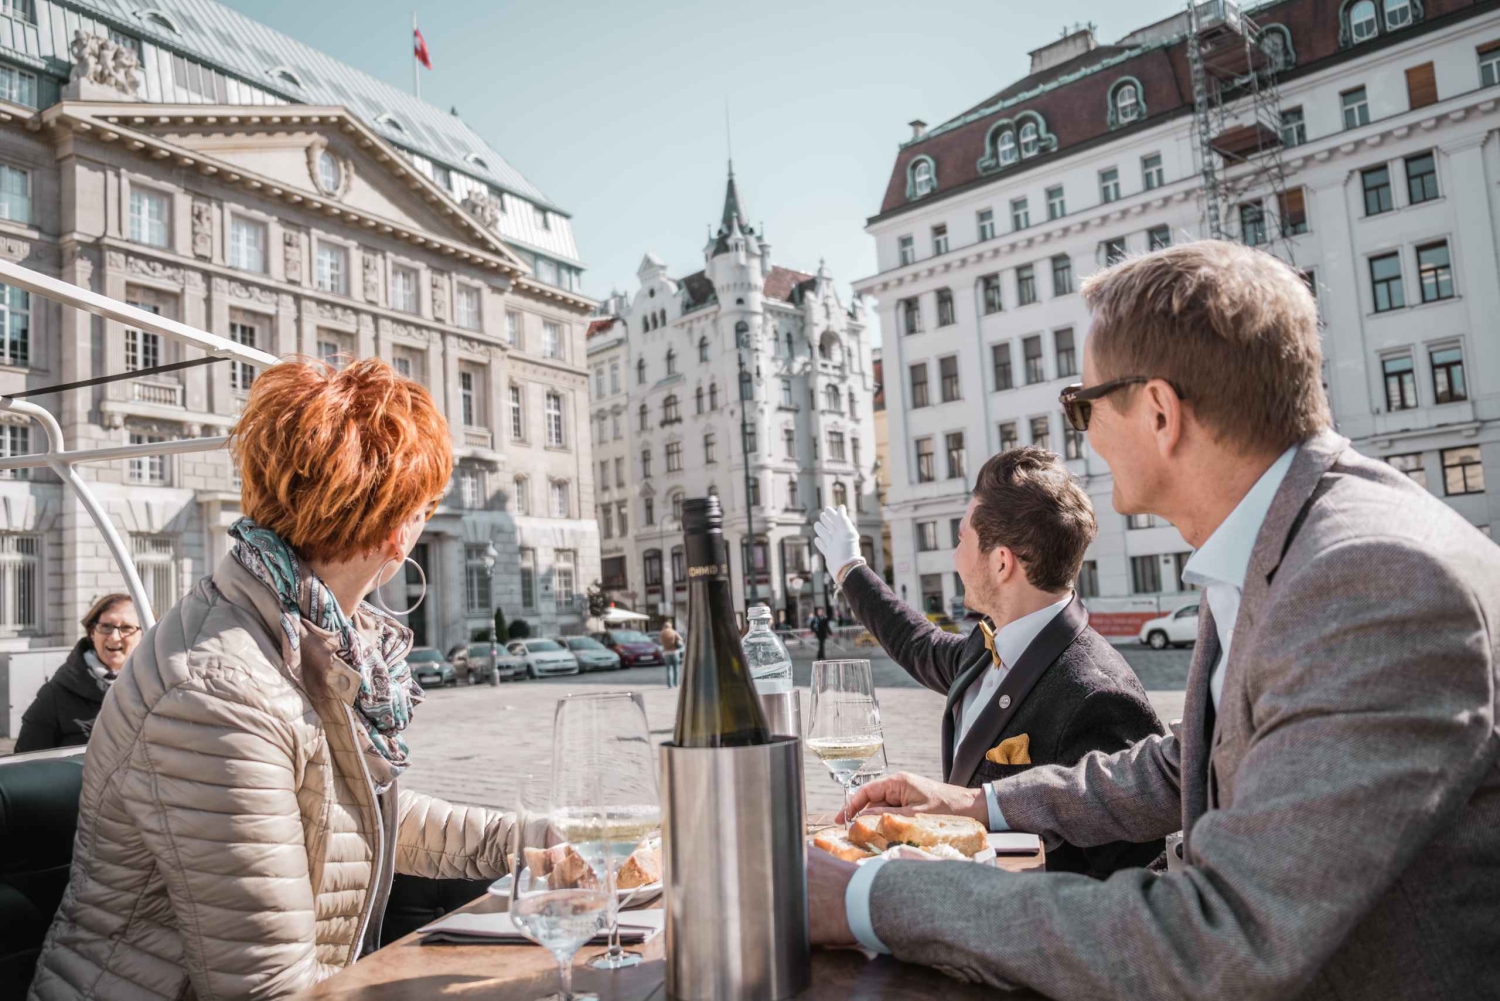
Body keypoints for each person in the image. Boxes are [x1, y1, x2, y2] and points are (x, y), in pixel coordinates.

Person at [807, 241, 1500, 1000]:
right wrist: (980, 801)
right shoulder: (1281, 537)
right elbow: (1185, 763)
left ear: (1161, 412)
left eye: (1085, 405)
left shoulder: (1363, 576)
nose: (1085, 437)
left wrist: (868, 899)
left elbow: (1224, 937)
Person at [30, 358, 516, 1001]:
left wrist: (539, 842)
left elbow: (350, 819)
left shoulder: (298, 629)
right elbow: (268, 988)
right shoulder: (220, 691)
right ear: (401, 532)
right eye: (426, 506)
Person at [814, 447, 1165, 878]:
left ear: (1001, 563)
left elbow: (1131, 878)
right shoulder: (989, 645)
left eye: (961, 539)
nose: (955, 556)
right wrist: (850, 570)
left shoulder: (1096, 693)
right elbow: (917, 644)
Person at [14, 594, 140, 752]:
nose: (114, 637)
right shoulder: (55, 695)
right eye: (106, 626)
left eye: (126, 628)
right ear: (93, 632)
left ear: (144, 634)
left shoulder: (161, 690)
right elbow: (26, 763)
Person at [660, 620, 682, 687]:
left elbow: (660, 641)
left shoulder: (662, 633)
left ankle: (670, 684)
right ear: (670, 626)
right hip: (674, 652)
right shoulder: (673, 632)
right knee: (676, 669)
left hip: (666, 653)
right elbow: (680, 639)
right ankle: (676, 683)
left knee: (669, 669)